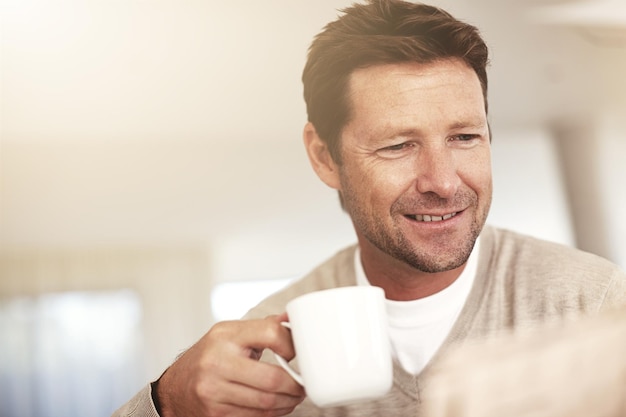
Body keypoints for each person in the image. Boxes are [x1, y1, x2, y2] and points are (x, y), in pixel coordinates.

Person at [113, 1, 626, 416]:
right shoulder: (263, 355)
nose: (444, 183)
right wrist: (168, 404)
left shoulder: (594, 300)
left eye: (465, 136)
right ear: (324, 156)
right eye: (398, 145)